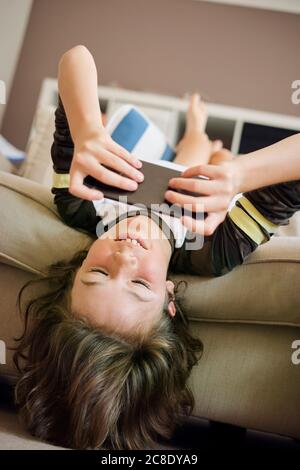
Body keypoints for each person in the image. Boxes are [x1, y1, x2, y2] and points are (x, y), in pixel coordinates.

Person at [14, 45, 300, 450]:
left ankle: (194, 130)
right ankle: (204, 136)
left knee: (189, 154)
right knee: (211, 155)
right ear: (169, 297)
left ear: (74, 272)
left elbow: (75, 56)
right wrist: (239, 174)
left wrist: (87, 132)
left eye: (98, 273)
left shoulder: (81, 201)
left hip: (151, 169)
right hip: (211, 186)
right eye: (138, 285)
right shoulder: (212, 250)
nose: (125, 255)